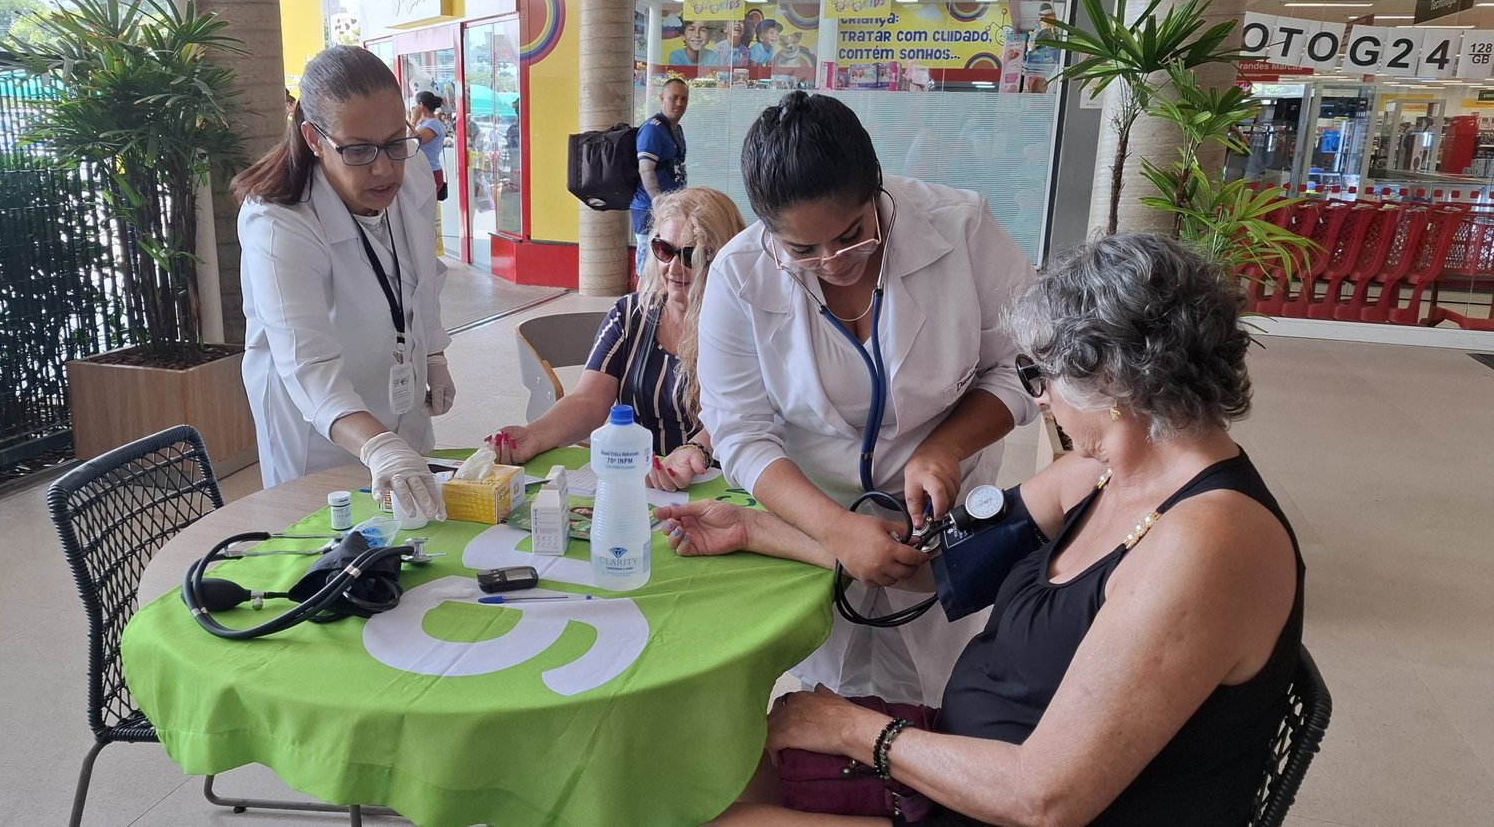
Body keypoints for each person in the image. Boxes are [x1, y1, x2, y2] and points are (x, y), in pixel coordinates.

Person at [662, 233, 1304, 827]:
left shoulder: (1208, 544)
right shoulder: (1097, 473)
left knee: (702, 815)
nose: (1042, 400)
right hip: (970, 765)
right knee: (711, 767)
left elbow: (1045, 798)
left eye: (1041, 378)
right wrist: (754, 529)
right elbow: (935, 565)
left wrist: (852, 730)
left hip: (1014, 803)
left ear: (1112, 385)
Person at [695, 90, 1037, 705]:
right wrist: (834, 531)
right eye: (802, 250)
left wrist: (944, 450)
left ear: (877, 189)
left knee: (951, 688)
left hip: (941, 513)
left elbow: (1025, 365)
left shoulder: (962, 229)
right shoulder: (739, 273)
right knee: (835, 690)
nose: (833, 263)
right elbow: (740, 432)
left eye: (853, 234)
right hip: (814, 515)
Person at [230, 46, 454, 523]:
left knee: (413, 536)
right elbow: (308, 365)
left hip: (396, 392)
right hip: (319, 428)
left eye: (396, 142)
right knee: (329, 544)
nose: (383, 168)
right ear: (313, 138)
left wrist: (433, 353)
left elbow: (422, 276)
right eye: (358, 150)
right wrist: (377, 445)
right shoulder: (277, 221)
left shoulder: (409, 169)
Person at [489, 187, 744, 490]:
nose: (674, 268)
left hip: (721, 479)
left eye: (692, 256)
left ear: (722, 259)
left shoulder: (745, 322)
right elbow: (589, 399)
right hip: (638, 479)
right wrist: (536, 435)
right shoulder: (630, 314)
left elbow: (746, 411)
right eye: (664, 250)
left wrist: (697, 450)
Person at [632, 78, 690, 273]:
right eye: (674, 98)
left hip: (668, 207)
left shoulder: (675, 129)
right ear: (662, 98)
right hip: (650, 208)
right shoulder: (653, 129)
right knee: (647, 264)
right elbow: (645, 170)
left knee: (663, 262)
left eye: (684, 99)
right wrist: (658, 201)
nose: (679, 103)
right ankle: (640, 302)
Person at [411, 90, 449, 200]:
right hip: (424, 170)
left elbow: (411, 141)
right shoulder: (425, 123)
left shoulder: (433, 124)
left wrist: (413, 120)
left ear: (421, 105)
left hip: (430, 171)